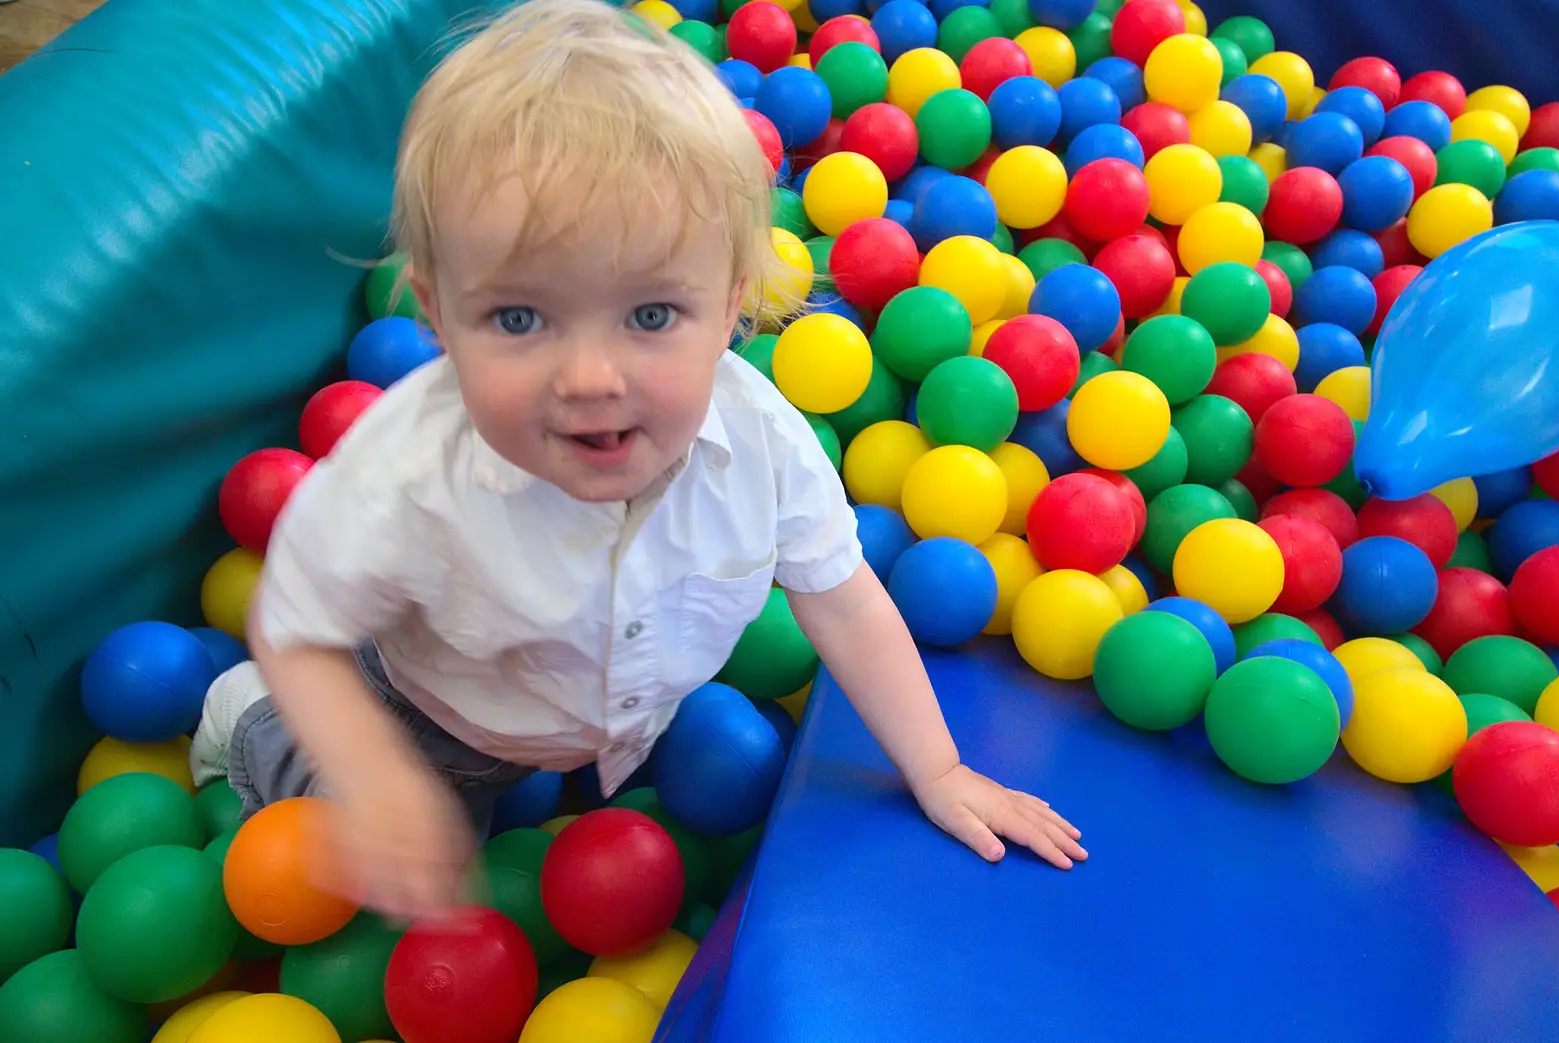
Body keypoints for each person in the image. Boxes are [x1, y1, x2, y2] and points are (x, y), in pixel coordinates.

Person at [190, 0, 1086, 922]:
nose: (589, 378)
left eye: (651, 316)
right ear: (436, 316)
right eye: (519, 318)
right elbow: (295, 617)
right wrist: (374, 773)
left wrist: (937, 769)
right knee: (358, 860)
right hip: (418, 719)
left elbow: (847, 599)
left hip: (602, 728)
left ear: (733, 303)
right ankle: (250, 718)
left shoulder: (763, 445)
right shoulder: (411, 469)